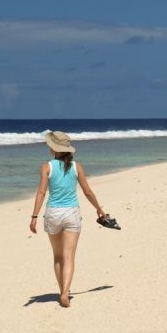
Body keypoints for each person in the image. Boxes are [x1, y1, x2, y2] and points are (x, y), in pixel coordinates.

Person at [30, 131, 106, 308]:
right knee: (69, 256)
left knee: (58, 256)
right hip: (71, 213)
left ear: (53, 148)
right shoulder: (76, 166)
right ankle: (66, 292)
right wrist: (99, 208)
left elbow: (41, 192)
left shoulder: (46, 167)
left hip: (53, 213)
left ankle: (62, 291)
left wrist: (34, 216)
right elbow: (87, 191)